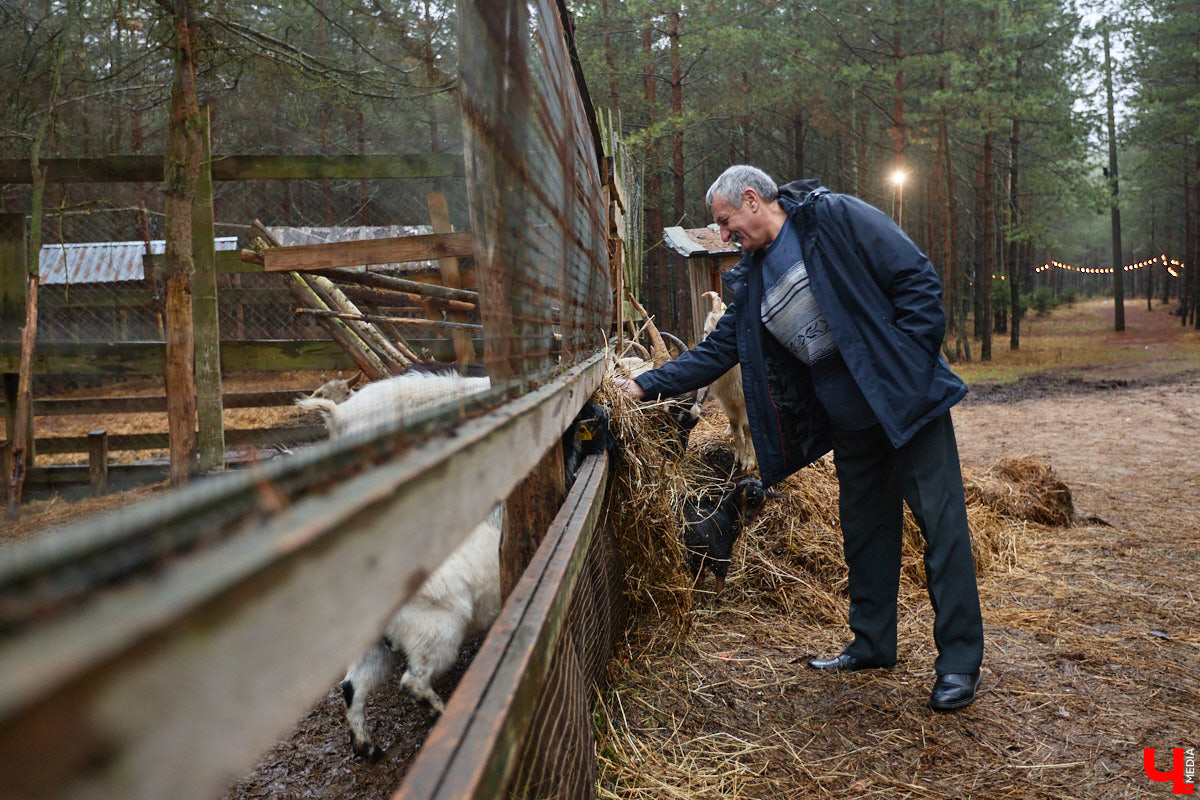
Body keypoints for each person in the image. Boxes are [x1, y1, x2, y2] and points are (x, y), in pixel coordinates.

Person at [615, 165, 984, 711]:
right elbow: (718, 350)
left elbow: (916, 279)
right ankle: (872, 644)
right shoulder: (754, 276)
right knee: (865, 534)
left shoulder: (832, 217)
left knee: (942, 528)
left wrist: (907, 369)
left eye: (726, 221)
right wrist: (644, 385)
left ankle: (958, 663)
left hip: (907, 407)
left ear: (751, 199)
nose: (724, 235)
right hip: (851, 423)